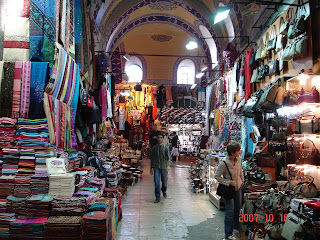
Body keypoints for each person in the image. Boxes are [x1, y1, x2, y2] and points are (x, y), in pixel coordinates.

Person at [214, 141, 244, 240]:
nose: (239, 152)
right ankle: (228, 233)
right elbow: (217, 177)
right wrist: (229, 182)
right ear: (232, 152)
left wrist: (242, 180)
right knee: (230, 211)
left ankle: (235, 228)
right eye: (238, 151)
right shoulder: (223, 163)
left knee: (237, 208)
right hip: (229, 190)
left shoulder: (239, 159)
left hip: (238, 188)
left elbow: (240, 170)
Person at [150, 132, 171, 203]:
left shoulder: (166, 148)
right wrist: (151, 168)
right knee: (156, 183)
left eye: (160, 138)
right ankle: (157, 197)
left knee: (164, 182)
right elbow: (152, 159)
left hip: (164, 167)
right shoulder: (154, 148)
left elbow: (168, 158)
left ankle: (164, 190)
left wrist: (168, 166)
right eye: (158, 138)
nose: (159, 139)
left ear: (163, 139)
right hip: (156, 167)